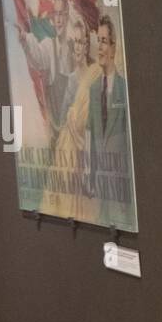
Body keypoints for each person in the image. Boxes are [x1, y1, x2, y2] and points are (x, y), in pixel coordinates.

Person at [40, 14, 101, 220]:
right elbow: (63, 118)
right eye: (74, 42)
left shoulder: (95, 74)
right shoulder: (71, 80)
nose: (78, 47)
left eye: (81, 42)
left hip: (90, 147)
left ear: (86, 45)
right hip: (70, 151)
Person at [86, 14, 131, 226]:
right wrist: (90, 175)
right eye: (98, 42)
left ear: (113, 48)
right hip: (101, 189)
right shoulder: (94, 89)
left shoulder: (125, 88)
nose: (100, 48)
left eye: (104, 42)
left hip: (123, 190)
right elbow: (90, 134)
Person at [19, 0, 74, 143]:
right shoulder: (49, 46)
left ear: (67, 15)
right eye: (55, 14)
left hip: (76, 136)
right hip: (57, 136)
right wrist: (25, 38)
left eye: (61, 14)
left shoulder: (75, 48)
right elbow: (36, 57)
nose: (58, 19)